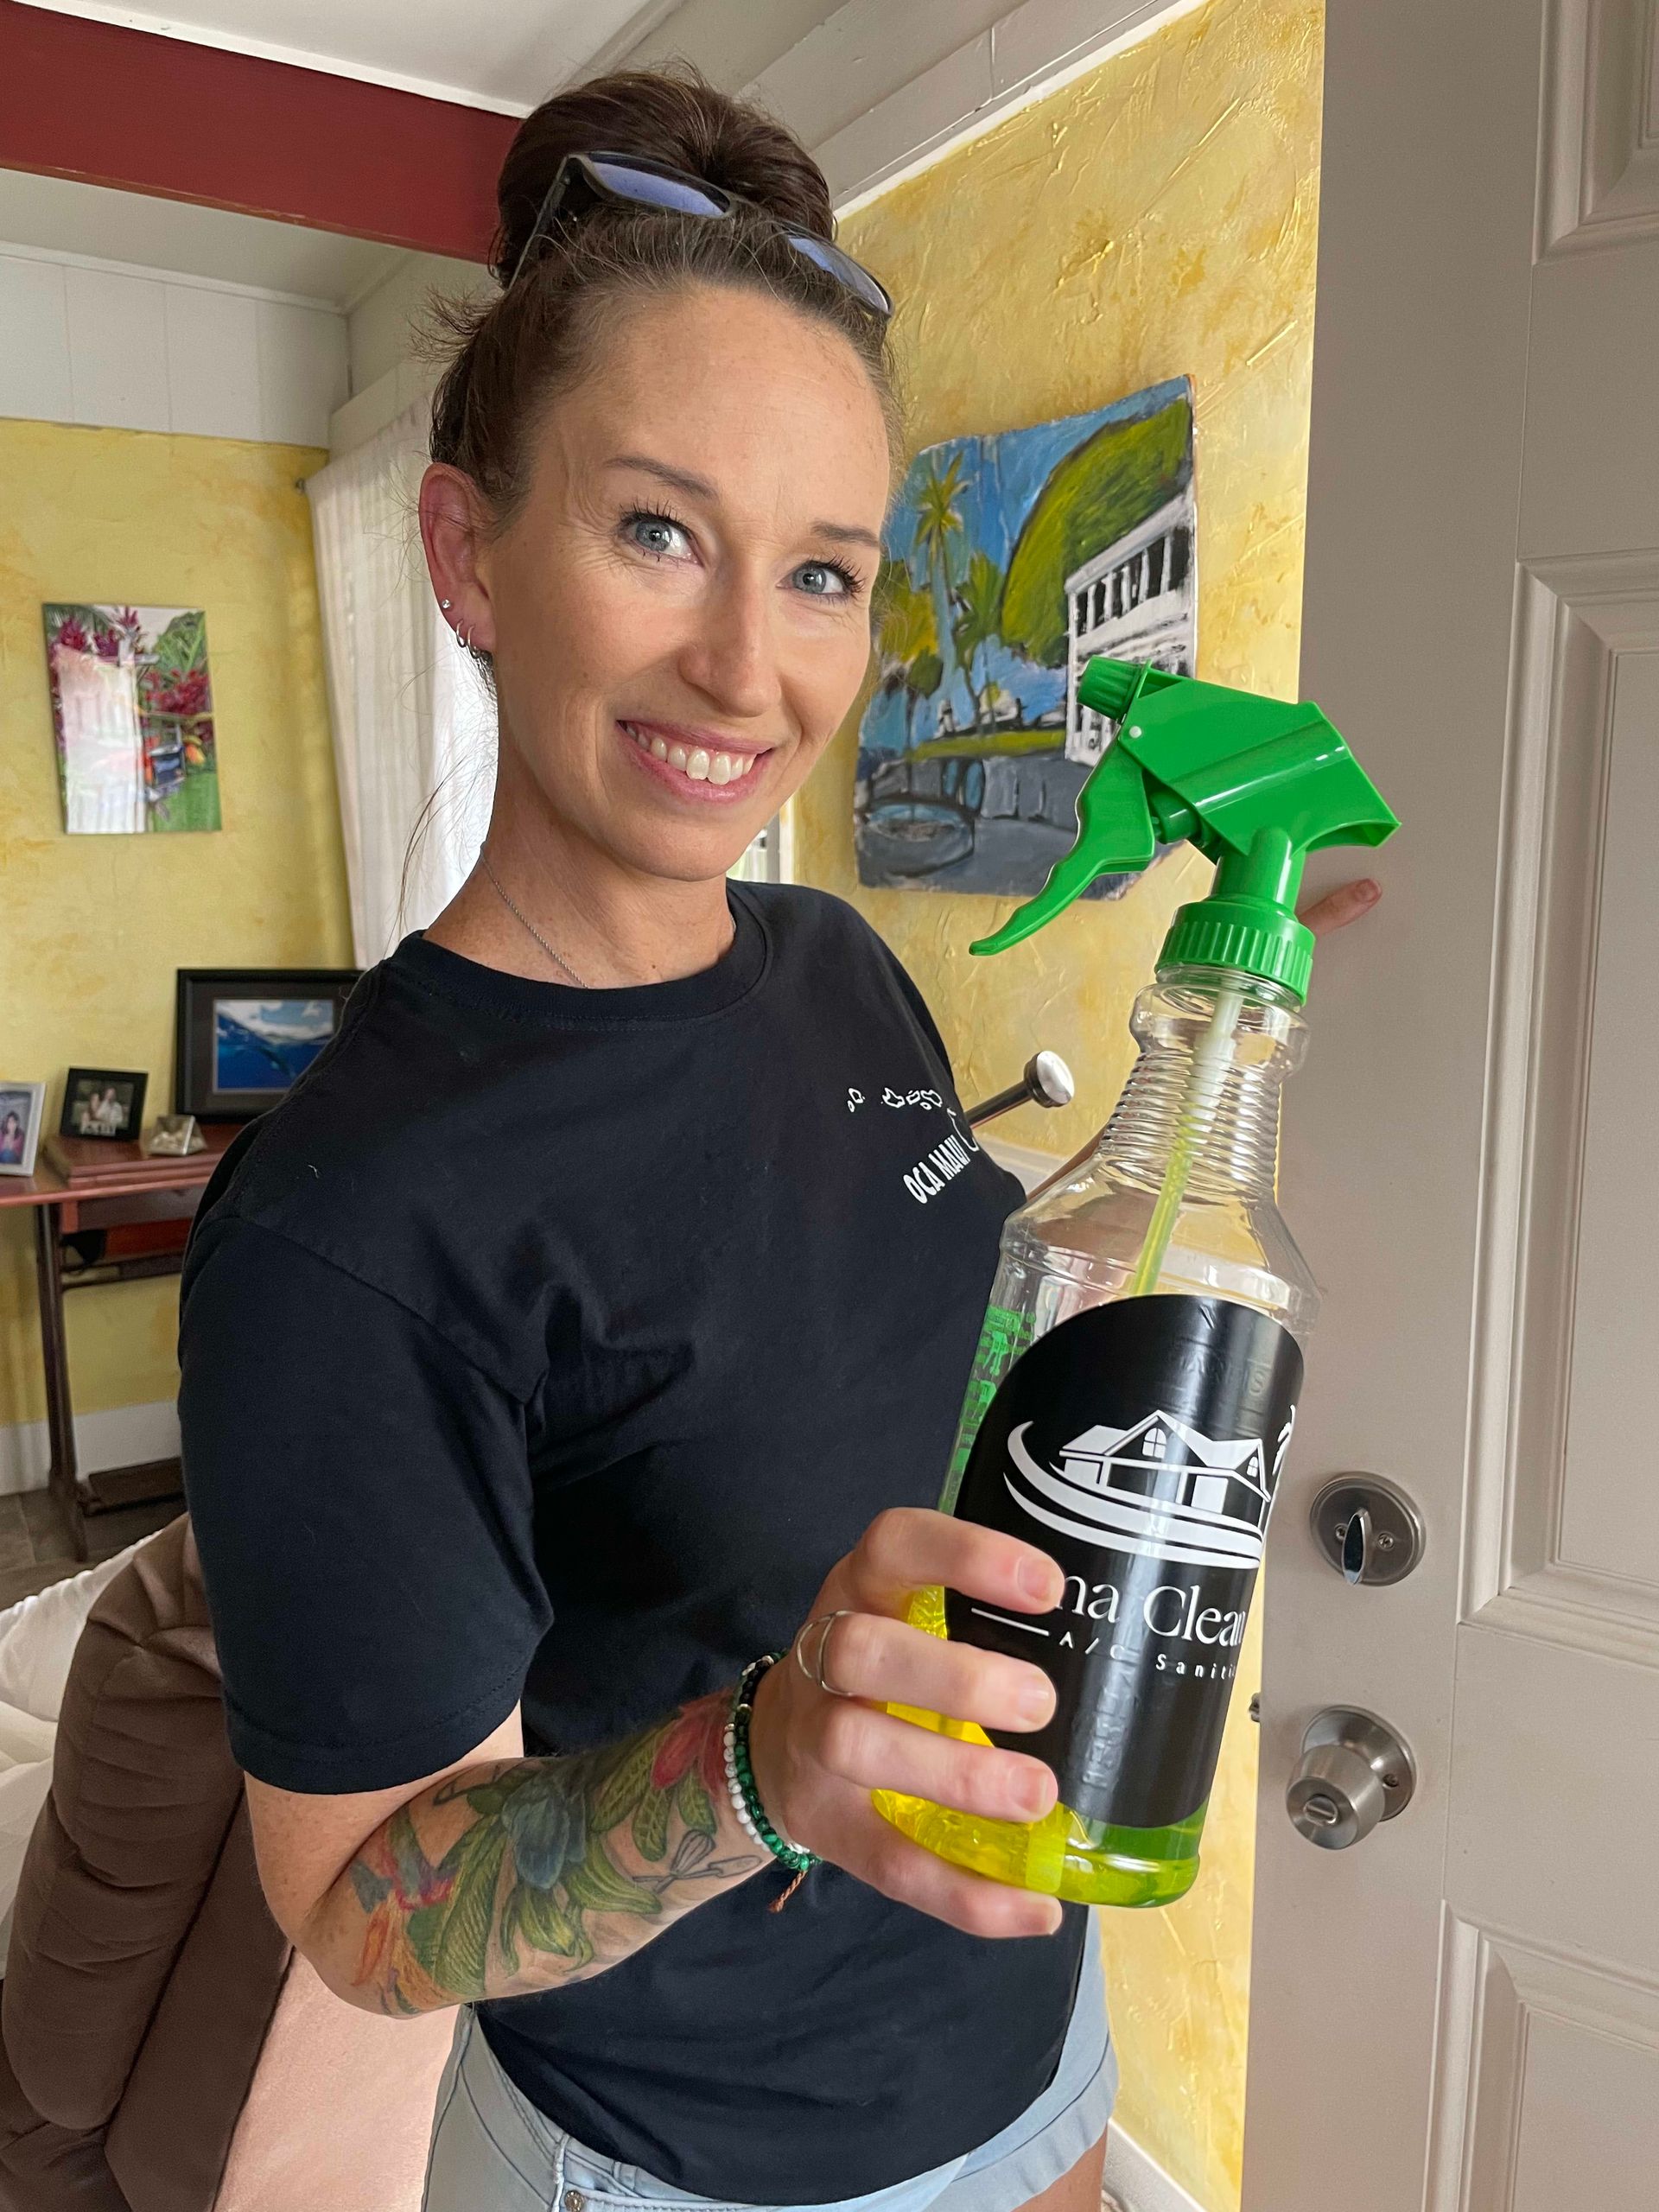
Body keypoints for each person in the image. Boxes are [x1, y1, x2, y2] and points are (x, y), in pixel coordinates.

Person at [176, 70, 1380, 2212]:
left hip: (1026, 2029)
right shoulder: (355, 1221)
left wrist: (1220, 1038)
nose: (748, 664)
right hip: (704, 2158)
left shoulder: (831, 962)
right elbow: (363, 1909)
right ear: (470, 548)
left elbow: (914, 1325)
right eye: (656, 530)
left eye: (823, 571)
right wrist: (760, 1762)